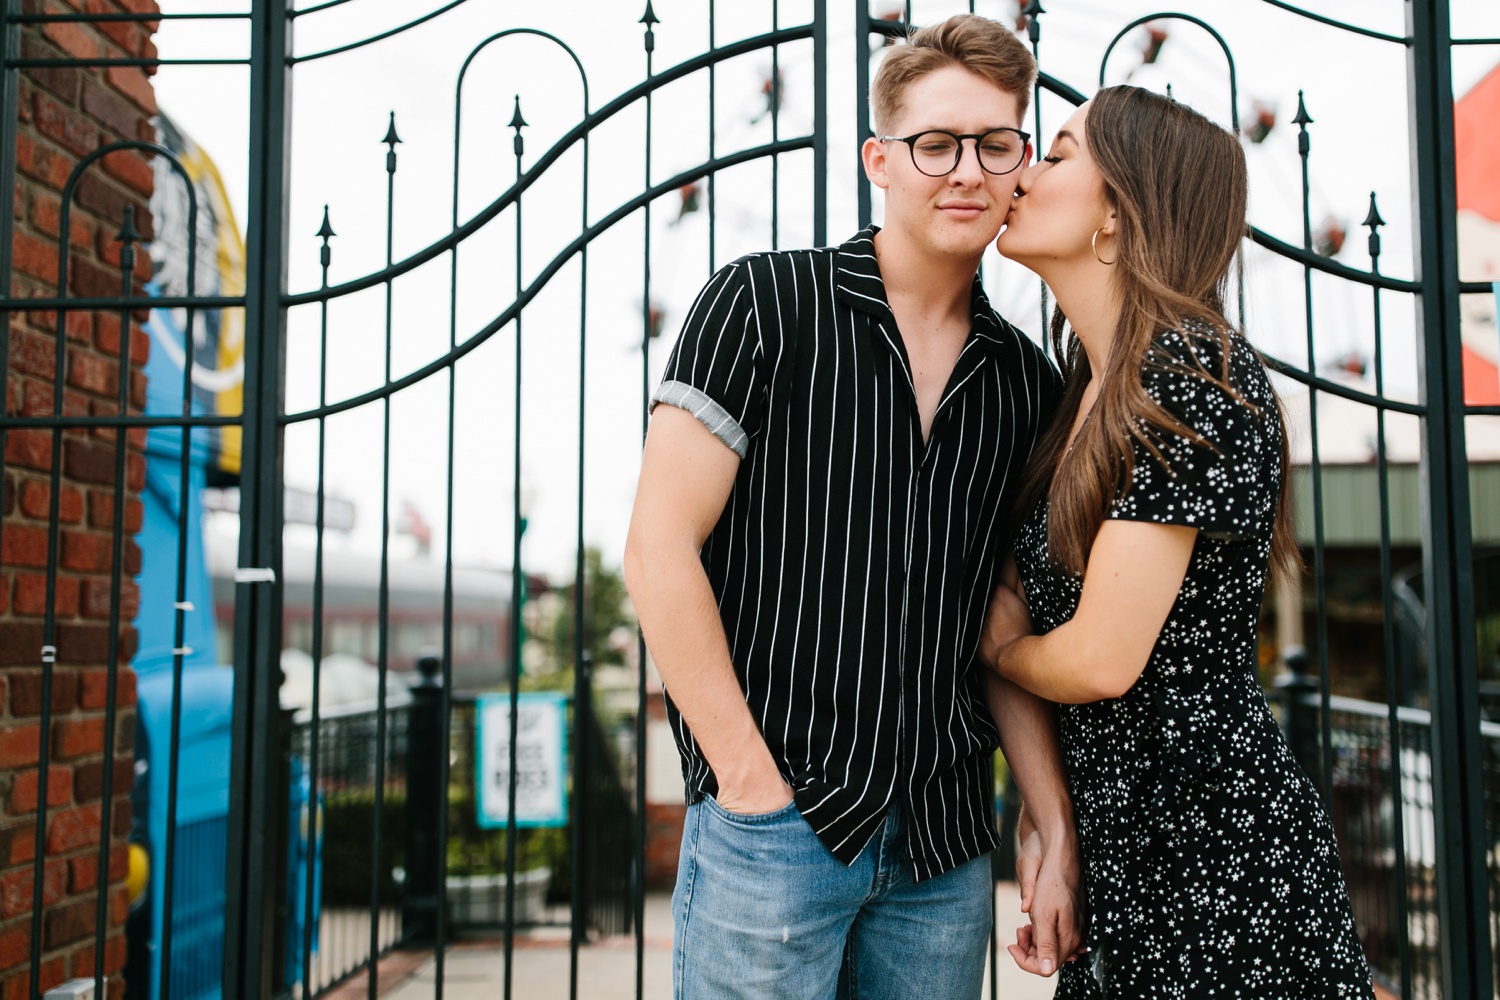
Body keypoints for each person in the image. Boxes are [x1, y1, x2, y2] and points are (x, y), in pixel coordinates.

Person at [624, 14, 1082, 1000]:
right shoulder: (761, 304)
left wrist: (1047, 822)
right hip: (773, 835)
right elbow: (660, 549)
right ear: (880, 158)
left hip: (945, 855)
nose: (966, 168)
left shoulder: (1025, 385)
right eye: (935, 143)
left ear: (1019, 165)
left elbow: (1000, 625)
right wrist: (748, 786)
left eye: (995, 143)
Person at [981, 84, 1375, 997]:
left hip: (1218, 859)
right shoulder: (1077, 392)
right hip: (1134, 856)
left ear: (1115, 214)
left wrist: (1005, 649)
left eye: (1063, 151)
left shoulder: (1194, 377)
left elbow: (1100, 660)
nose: (1027, 169)